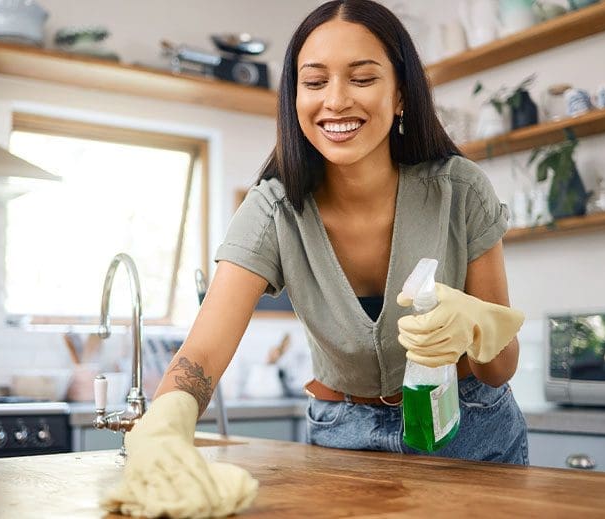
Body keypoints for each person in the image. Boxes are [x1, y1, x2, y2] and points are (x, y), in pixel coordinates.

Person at [104, 0, 526, 515]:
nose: (337, 100)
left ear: (400, 96)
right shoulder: (272, 211)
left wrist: (478, 326)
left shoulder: (461, 191)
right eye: (315, 81)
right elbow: (202, 355)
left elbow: (500, 370)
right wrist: (166, 423)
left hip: (471, 432)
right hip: (342, 438)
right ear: (295, 97)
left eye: (363, 78)